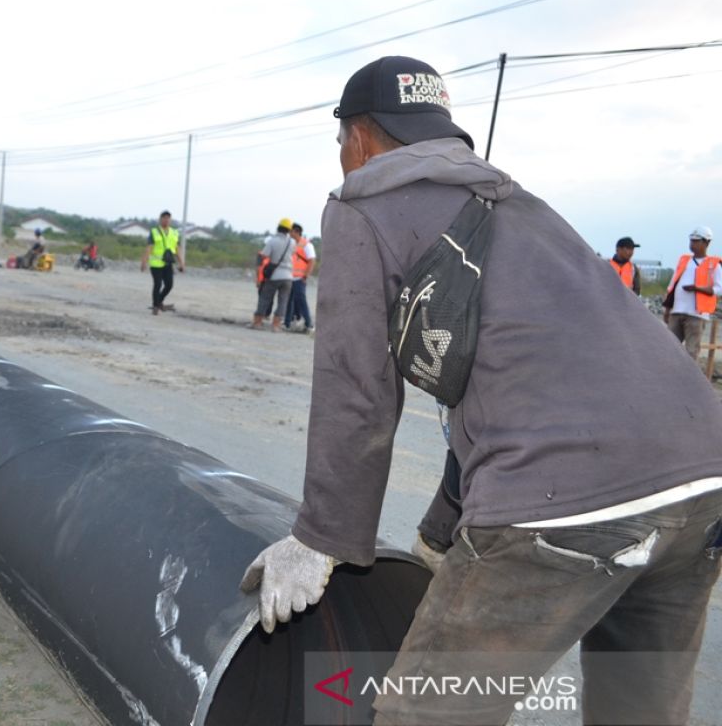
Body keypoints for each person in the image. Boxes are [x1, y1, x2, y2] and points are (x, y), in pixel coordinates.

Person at [238, 56, 722, 725]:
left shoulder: (365, 203)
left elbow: (357, 388)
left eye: (341, 144)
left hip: (564, 497)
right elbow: (509, 384)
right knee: (637, 712)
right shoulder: (518, 205)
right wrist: (440, 533)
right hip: (703, 479)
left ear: (361, 138)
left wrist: (321, 537)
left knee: (424, 712)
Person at [665, 226, 722, 363]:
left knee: (691, 351)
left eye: (696, 241)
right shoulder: (684, 261)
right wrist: (667, 308)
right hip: (677, 311)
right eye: (691, 241)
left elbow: (719, 289)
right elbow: (672, 285)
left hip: (696, 314)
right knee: (669, 348)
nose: (693, 244)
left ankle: (688, 381)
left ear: (706, 243)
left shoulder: (714, 265)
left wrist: (698, 289)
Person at [250, 218, 296, 331]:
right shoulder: (292, 242)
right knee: (283, 301)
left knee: (265, 298)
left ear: (278, 227)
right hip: (288, 276)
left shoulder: (272, 241)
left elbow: (264, 255)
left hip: (274, 275)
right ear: (289, 230)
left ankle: (257, 322)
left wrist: (259, 274)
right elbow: (293, 254)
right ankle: (276, 325)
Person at [140, 211, 184, 314]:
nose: (166, 220)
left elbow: (177, 249)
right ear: (160, 219)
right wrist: (144, 262)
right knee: (158, 284)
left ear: (170, 220)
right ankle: (156, 307)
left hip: (168, 264)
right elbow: (149, 248)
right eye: (164, 217)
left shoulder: (174, 232)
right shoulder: (154, 232)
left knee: (169, 285)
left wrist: (181, 263)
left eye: (168, 218)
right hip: (156, 264)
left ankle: (159, 301)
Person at [284, 222, 316, 333]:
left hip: (300, 278)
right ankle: (288, 322)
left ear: (297, 232)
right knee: (289, 301)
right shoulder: (292, 244)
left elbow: (311, 261)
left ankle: (309, 324)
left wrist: (306, 275)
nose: (289, 233)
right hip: (290, 277)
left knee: (301, 301)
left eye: (291, 231)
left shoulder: (307, 245)